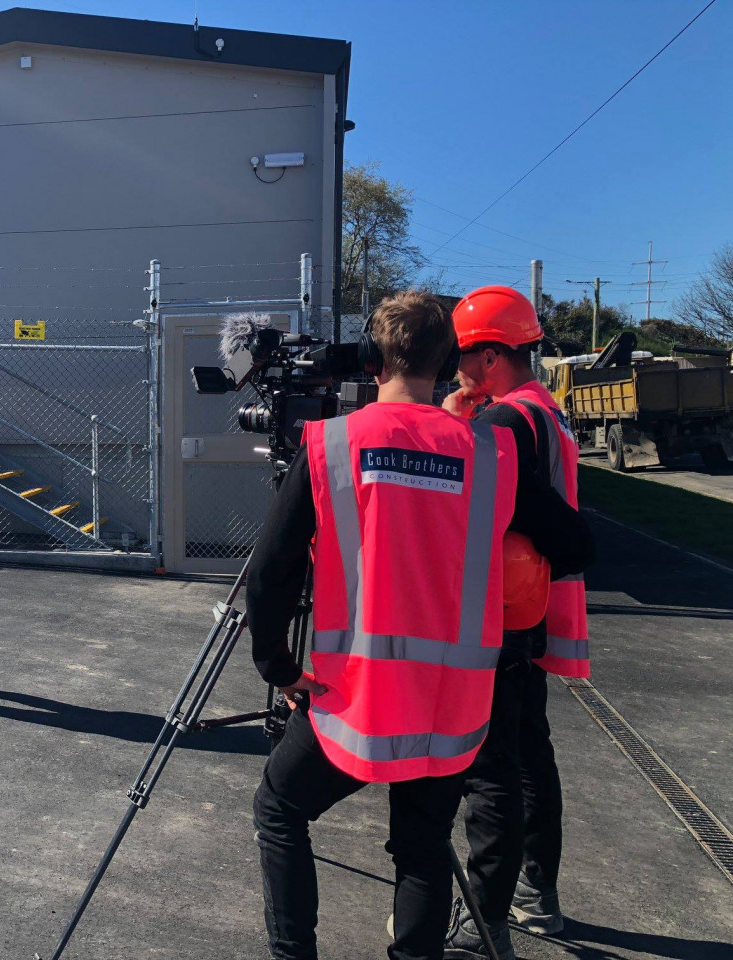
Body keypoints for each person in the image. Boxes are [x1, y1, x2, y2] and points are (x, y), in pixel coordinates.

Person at [247, 290, 593, 960]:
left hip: (357, 697)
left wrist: (280, 669)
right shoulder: (491, 452)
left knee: (280, 809)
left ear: (373, 359)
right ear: (447, 361)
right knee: (423, 845)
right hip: (454, 703)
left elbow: (269, 577)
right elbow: (575, 545)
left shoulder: (332, 444)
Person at [439, 286, 594, 957]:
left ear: (493, 355)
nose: (457, 369)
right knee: (530, 752)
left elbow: (510, 511)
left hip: (503, 611)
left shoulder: (504, 421)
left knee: (493, 767)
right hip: (534, 605)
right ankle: (538, 894)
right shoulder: (545, 409)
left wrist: (455, 430)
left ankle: (487, 917)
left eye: (463, 355)